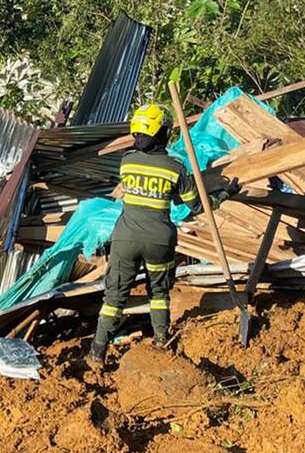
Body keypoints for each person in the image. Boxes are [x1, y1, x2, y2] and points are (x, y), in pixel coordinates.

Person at [89, 104, 237, 365]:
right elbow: (196, 205)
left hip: (125, 239)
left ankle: (97, 353)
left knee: (114, 298)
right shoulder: (175, 168)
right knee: (158, 293)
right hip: (159, 240)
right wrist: (226, 193)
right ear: (161, 134)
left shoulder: (126, 163)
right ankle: (160, 340)